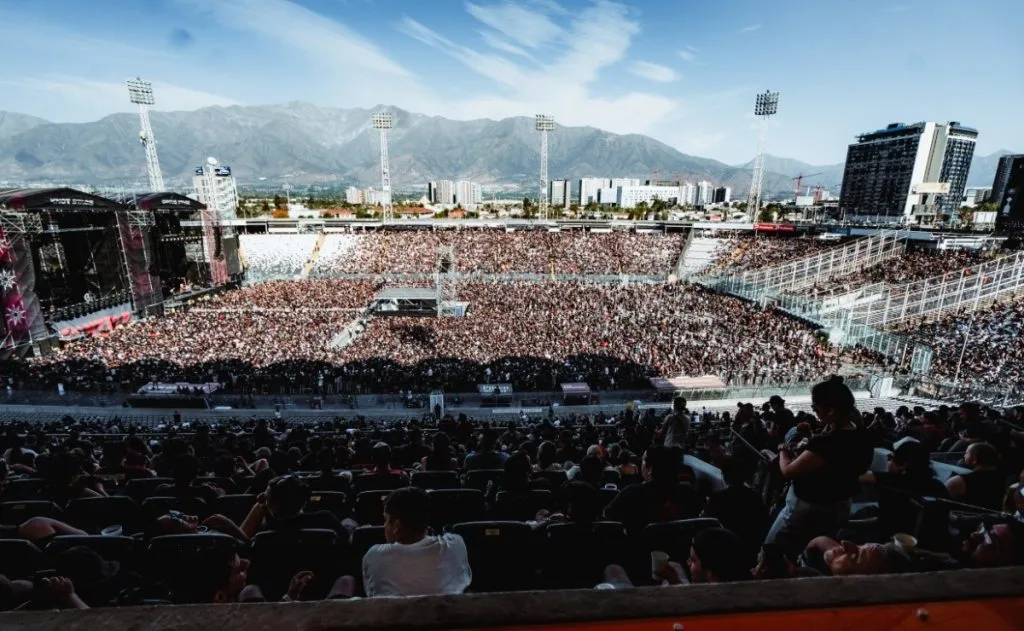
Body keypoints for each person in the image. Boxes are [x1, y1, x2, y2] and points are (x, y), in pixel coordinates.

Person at [765, 376, 874, 557]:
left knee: (774, 548)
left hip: (808, 507)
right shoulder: (861, 433)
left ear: (831, 410)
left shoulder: (826, 443)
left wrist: (783, 450)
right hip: (840, 504)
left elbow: (788, 471)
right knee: (817, 551)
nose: (813, 410)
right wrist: (811, 435)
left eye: (815, 406)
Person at [362, 487, 472, 597]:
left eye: (386, 519)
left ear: (396, 526)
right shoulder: (456, 544)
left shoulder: (374, 556)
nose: (384, 525)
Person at [603, 445, 704, 537]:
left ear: (650, 468)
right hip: (681, 550)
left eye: (643, 460)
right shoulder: (688, 492)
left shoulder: (631, 493)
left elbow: (608, 515)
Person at [857, 440, 949, 539]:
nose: (888, 461)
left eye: (891, 458)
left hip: (890, 539)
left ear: (903, 465)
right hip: (927, 543)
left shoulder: (890, 480)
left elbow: (858, 477)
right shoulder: (939, 487)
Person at [945, 443, 1005, 512]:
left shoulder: (958, 481)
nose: (964, 455)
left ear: (974, 459)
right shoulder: (1006, 478)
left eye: (967, 453)